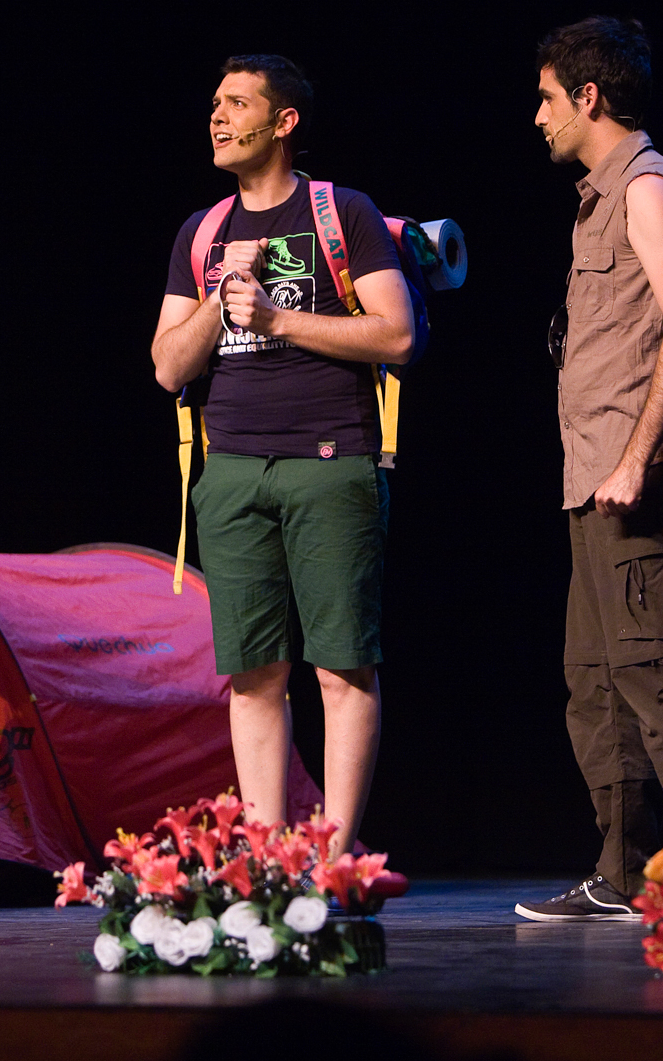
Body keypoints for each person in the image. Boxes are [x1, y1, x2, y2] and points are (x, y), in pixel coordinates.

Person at [514, 18, 663, 922]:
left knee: (662, 674)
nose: (538, 116)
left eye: (547, 98)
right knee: (597, 683)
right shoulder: (597, 200)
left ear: (589, 97)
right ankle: (628, 875)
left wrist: (635, 458)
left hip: (637, 478)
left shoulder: (648, 188)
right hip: (593, 481)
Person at [151, 55, 412, 859]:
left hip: (330, 461)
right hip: (229, 470)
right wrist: (221, 294)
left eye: (237, 103)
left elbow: (399, 335)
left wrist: (275, 318)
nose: (217, 117)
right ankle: (268, 860)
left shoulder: (344, 212)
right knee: (255, 675)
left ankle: (333, 860)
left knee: (341, 668)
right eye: (215, 103)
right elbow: (167, 366)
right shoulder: (202, 233)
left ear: (284, 122)